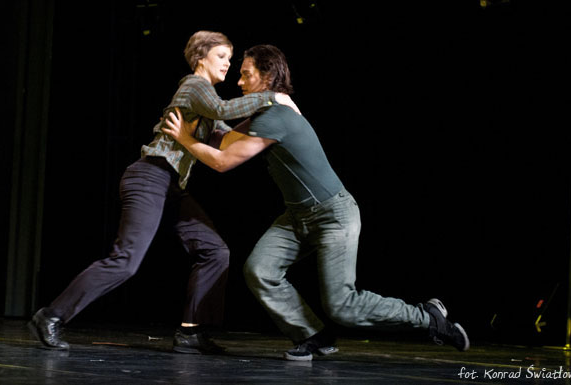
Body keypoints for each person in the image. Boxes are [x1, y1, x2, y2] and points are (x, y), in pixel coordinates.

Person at [162, 44, 470, 361]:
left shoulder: (276, 117)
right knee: (260, 270)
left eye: (246, 74)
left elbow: (223, 160)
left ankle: (428, 317)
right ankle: (312, 336)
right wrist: (196, 115)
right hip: (297, 217)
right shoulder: (266, 115)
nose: (239, 82)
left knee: (342, 306)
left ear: (266, 76)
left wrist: (184, 138)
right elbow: (223, 139)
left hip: (333, 214)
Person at [28, 31, 295, 354]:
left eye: (230, 58)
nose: (228, 64)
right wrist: (273, 98)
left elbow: (225, 139)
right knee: (127, 261)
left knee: (215, 251)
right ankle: (51, 316)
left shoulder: (206, 103)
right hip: (149, 177)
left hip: (170, 187)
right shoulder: (194, 86)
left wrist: (264, 118)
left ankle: (191, 332)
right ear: (201, 58)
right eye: (222, 56)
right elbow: (222, 109)